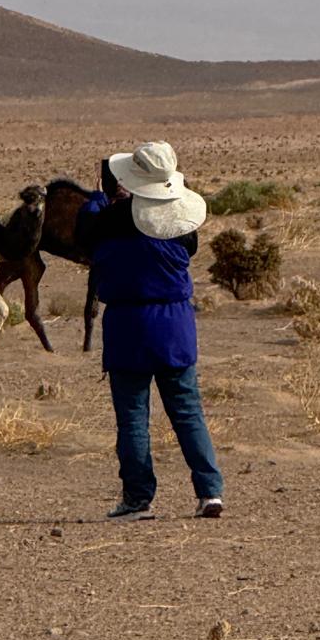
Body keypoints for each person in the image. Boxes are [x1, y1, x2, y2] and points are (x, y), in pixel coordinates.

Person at [75, 140, 224, 521]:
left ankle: (138, 498)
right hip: (175, 324)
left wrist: (102, 196)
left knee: (133, 416)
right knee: (188, 411)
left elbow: (87, 229)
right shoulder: (180, 232)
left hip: (127, 325)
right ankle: (209, 492)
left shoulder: (108, 226)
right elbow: (177, 236)